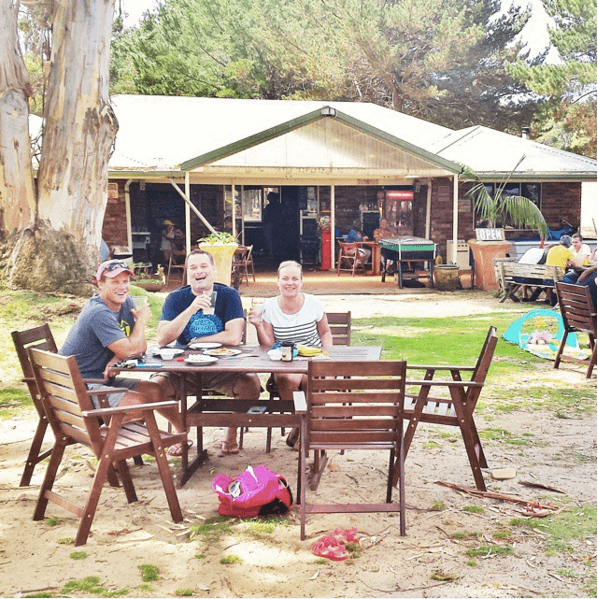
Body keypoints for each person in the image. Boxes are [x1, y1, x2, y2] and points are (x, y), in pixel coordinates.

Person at [153, 249, 261, 455]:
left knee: (251, 385)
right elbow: (162, 338)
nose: (198, 271)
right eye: (193, 267)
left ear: (213, 270)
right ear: (187, 272)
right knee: (154, 388)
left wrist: (198, 339)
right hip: (185, 370)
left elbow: (234, 337)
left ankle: (230, 435)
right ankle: (181, 431)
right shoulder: (176, 299)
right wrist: (191, 309)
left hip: (223, 368)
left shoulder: (229, 295)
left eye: (204, 266)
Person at [60, 259, 183, 433]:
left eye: (125, 282)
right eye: (115, 282)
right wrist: (140, 322)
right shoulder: (98, 312)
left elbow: (140, 348)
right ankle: (106, 449)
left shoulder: (126, 303)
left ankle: (181, 434)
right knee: (139, 405)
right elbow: (131, 349)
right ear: (100, 284)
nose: (122, 287)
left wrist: (117, 359)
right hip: (80, 386)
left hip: (101, 379)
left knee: (155, 390)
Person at [248, 260, 332, 447]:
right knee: (288, 379)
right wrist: (259, 326)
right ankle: (302, 424)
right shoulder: (269, 306)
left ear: (301, 282)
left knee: (312, 379)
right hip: (285, 361)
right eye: (285, 278)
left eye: (295, 278)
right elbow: (268, 344)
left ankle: (299, 427)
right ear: (277, 282)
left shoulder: (313, 303)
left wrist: (326, 353)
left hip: (313, 358)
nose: (290, 283)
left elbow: (325, 332)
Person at [544, 235, 575, 305]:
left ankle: (548, 297)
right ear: (569, 245)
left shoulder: (551, 249)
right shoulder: (567, 251)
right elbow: (576, 263)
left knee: (553, 277)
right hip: (558, 279)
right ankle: (567, 300)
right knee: (573, 280)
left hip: (546, 278)